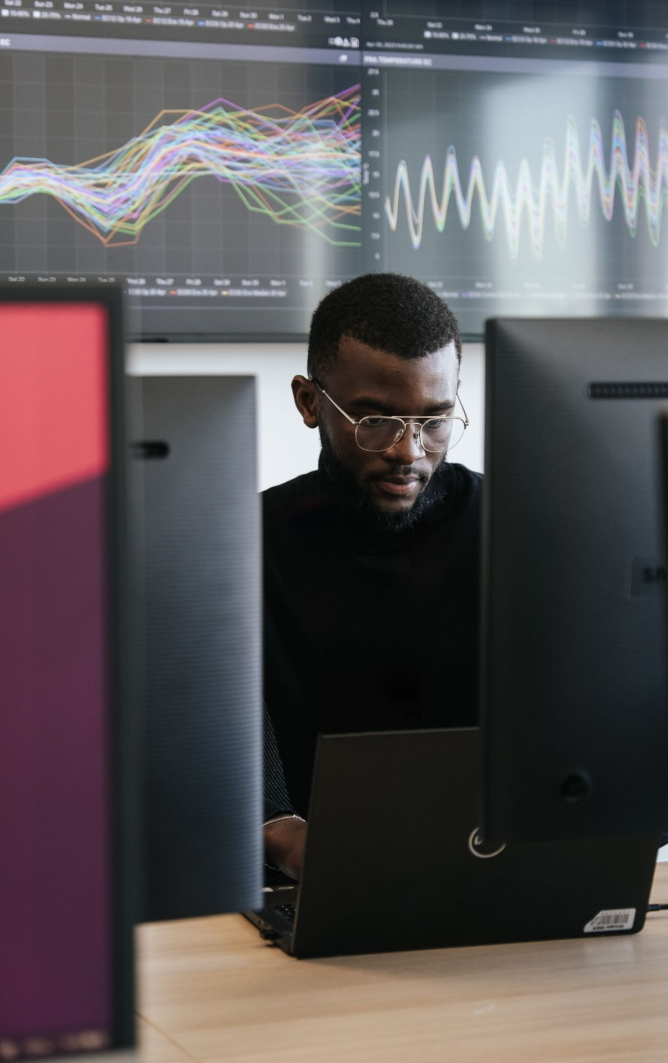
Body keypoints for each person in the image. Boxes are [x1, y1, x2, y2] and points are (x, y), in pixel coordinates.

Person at [262, 273, 481, 880]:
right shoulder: (240, 542)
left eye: (434, 420)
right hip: (302, 889)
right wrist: (276, 827)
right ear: (310, 402)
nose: (408, 451)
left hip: (487, 872)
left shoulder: (521, 530)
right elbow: (211, 722)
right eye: (375, 420)